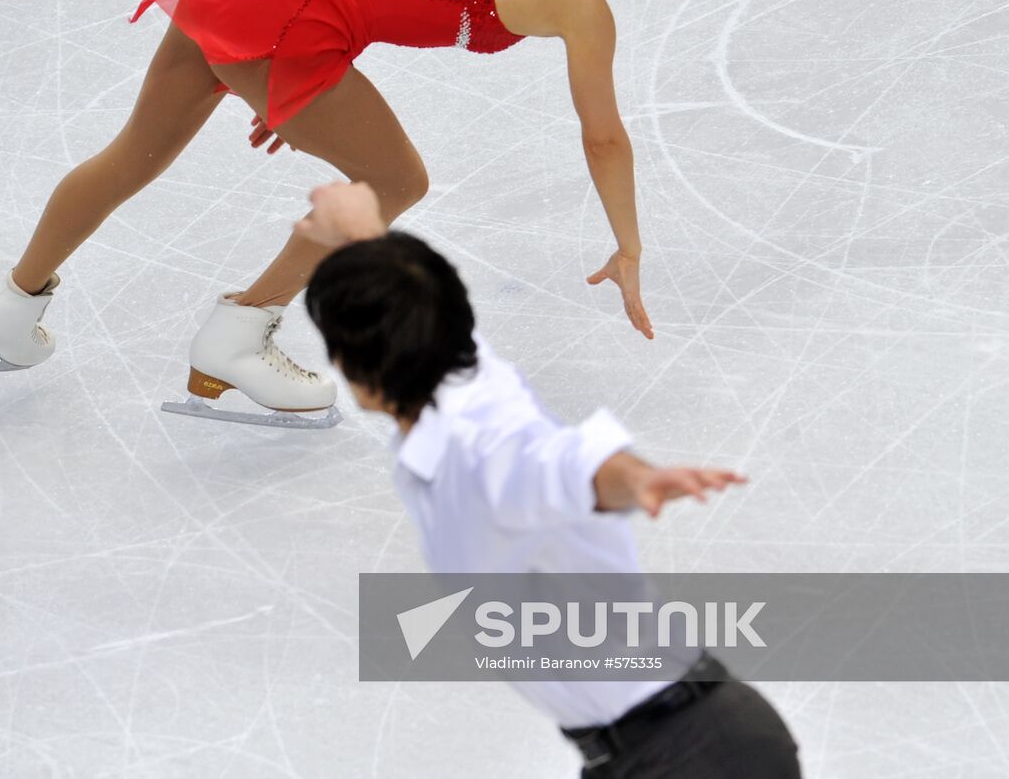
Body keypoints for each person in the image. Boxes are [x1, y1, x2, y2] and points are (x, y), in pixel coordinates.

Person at [0, 0, 685, 425]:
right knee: (394, 179)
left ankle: (8, 311)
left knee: (130, 157)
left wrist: (285, 86)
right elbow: (603, 136)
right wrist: (628, 245)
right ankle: (239, 335)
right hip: (295, 22)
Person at [299, 181, 802, 778]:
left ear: (351, 368)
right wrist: (361, 234)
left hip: (697, 759)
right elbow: (409, 301)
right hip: (663, 748)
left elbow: (564, 466)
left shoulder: (481, 454)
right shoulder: (464, 372)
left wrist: (632, 479)